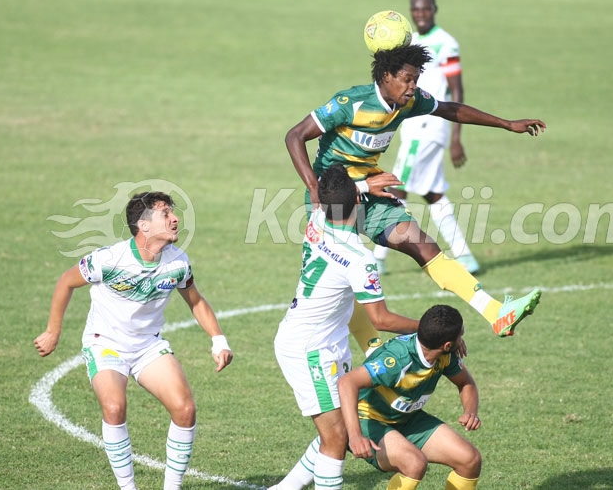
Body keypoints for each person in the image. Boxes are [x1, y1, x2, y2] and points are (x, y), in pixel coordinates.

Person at [285, 43, 544, 351]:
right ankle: (372, 350)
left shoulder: (408, 102)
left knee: (423, 245)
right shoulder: (350, 103)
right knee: (344, 282)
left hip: (372, 192)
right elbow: (294, 135)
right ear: (386, 75)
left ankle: (495, 312)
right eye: (407, 79)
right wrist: (316, 192)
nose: (412, 87)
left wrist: (506, 124)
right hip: (334, 198)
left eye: (416, 79)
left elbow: (448, 109)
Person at [34, 192, 233, 490]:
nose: (175, 219)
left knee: (185, 410)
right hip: (106, 344)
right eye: (166, 214)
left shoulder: (177, 262)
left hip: (147, 346)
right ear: (144, 225)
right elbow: (66, 281)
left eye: (172, 212)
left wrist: (219, 340)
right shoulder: (109, 260)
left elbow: (196, 301)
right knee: (114, 408)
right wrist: (53, 331)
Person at [271, 164, 420, 490]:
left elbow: (329, 196)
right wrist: (426, 329)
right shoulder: (358, 258)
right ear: (355, 199)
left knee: (334, 430)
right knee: (337, 437)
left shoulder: (316, 220)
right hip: (311, 350)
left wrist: (361, 187)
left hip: (316, 340)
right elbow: (381, 319)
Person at [374, 0, 479, 274]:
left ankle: (378, 258)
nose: (420, 14)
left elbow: (457, 90)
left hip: (429, 125)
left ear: (434, 9)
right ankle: (465, 256)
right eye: (416, 9)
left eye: (426, 9)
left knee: (396, 187)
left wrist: (457, 137)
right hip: (413, 126)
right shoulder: (410, 41)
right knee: (433, 193)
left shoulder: (446, 43)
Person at [339, 304, 482, 490]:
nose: (462, 341)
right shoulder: (397, 360)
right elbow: (347, 382)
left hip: (406, 419)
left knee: (470, 460)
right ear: (447, 345)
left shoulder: (446, 355)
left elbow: (466, 383)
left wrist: (470, 411)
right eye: (460, 336)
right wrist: (355, 435)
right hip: (369, 420)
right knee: (414, 464)